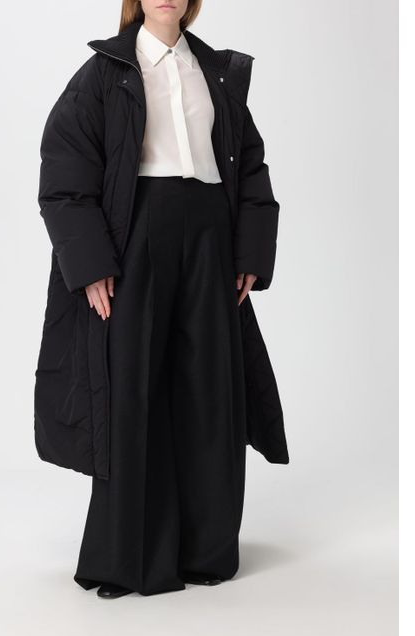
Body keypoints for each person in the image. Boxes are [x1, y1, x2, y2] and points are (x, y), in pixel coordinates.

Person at [34, 0, 289, 599]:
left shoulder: (217, 72)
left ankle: (205, 551)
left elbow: (250, 165)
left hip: (210, 237)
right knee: (132, 387)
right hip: (136, 234)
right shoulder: (103, 74)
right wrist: (91, 264)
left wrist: (250, 253)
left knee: (210, 386)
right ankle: (127, 560)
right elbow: (65, 171)